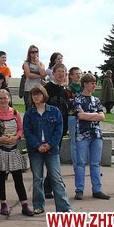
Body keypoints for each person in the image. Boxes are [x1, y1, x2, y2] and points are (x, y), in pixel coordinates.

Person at [23, 84, 72, 214]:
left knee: (56, 178)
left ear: (44, 95)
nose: (36, 96)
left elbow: (59, 130)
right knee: (37, 178)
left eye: (38, 94)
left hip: (52, 149)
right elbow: (27, 132)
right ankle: (38, 206)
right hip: (35, 150)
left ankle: (64, 207)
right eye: (34, 94)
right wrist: (38, 145)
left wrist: (50, 144)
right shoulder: (29, 114)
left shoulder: (54, 111)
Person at [0, 90, 34, 217]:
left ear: (9, 99)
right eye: (0, 98)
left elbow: (20, 129)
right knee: (1, 178)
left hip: (13, 149)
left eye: (5, 98)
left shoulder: (15, 113)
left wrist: (16, 137)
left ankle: (24, 205)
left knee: (18, 178)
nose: (3, 100)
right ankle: (3, 204)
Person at [74, 73, 110, 201]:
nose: (94, 85)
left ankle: (97, 189)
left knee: (95, 163)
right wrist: (94, 115)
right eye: (92, 83)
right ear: (85, 84)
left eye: (95, 83)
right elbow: (80, 116)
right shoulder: (78, 99)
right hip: (82, 134)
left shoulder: (96, 100)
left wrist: (88, 115)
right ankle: (79, 189)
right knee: (80, 163)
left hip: (96, 134)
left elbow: (102, 117)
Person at [43, 63, 72, 199]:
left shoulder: (65, 91)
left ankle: (50, 186)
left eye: (63, 72)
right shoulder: (47, 89)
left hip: (60, 130)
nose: (61, 74)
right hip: (47, 129)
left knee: (54, 158)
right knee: (51, 159)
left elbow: (67, 110)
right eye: (59, 71)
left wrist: (67, 127)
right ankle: (52, 186)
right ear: (53, 74)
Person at [67, 66, 83, 170]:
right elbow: (69, 103)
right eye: (76, 74)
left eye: (80, 73)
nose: (78, 75)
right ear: (71, 76)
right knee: (74, 143)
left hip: (85, 117)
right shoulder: (68, 89)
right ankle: (76, 167)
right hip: (72, 116)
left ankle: (84, 165)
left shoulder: (84, 87)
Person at [22, 45, 46, 111]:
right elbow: (29, 74)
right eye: (32, 52)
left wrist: (37, 63)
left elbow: (43, 73)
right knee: (29, 107)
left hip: (39, 88)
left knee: (38, 107)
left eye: (36, 51)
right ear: (29, 53)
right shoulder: (26, 63)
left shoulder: (41, 63)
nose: (34, 53)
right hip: (29, 88)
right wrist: (39, 76)